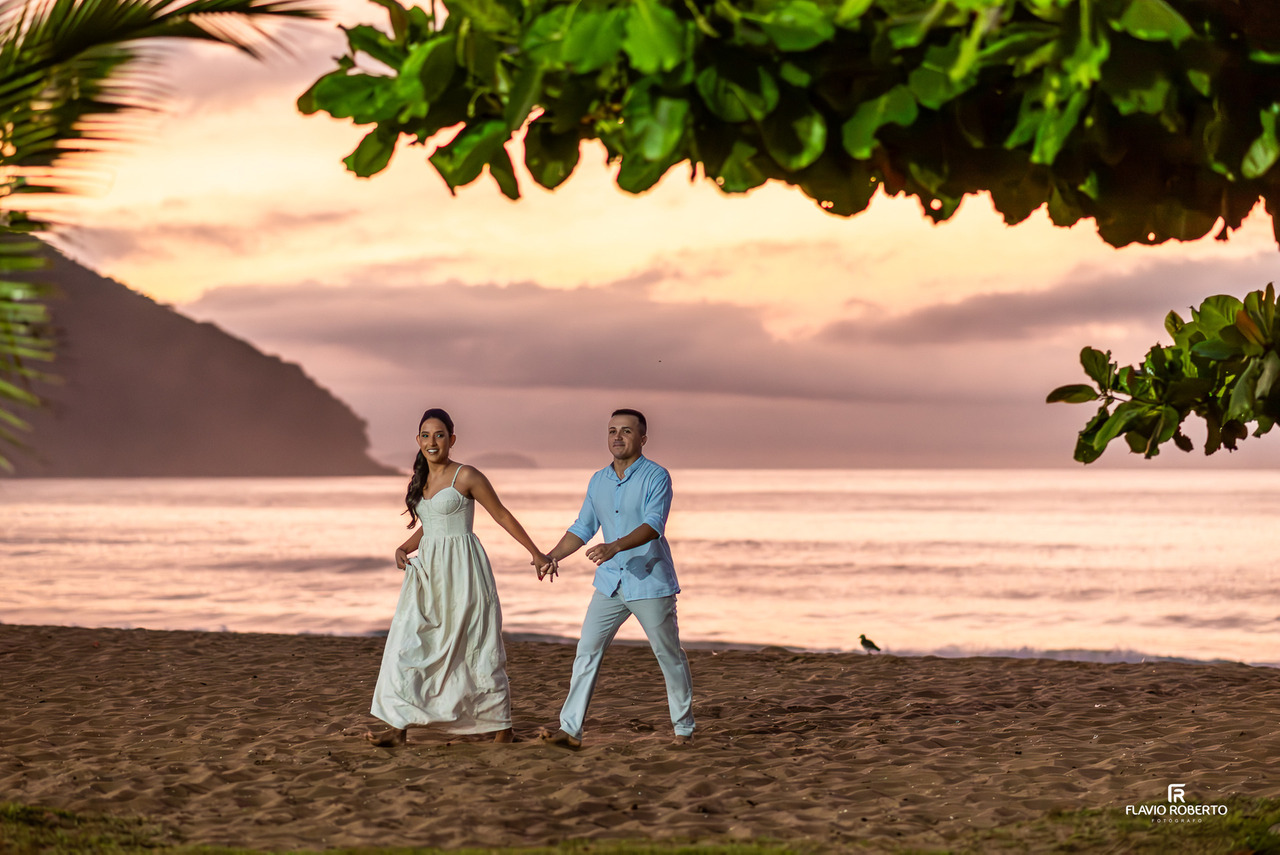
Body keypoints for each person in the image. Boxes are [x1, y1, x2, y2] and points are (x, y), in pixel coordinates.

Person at [367, 408, 553, 746]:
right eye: (425, 435)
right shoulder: (421, 480)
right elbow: (431, 526)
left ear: (452, 439)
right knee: (408, 645)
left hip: (464, 571)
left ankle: (501, 728)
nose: (432, 441)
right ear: (418, 440)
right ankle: (397, 728)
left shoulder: (467, 476)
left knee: (475, 647)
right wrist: (403, 547)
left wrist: (536, 553)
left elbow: (501, 514)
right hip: (427, 574)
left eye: (439, 435)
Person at [536, 408, 695, 748]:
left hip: (649, 581)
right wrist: (552, 556)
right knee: (587, 652)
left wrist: (614, 546)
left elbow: (654, 525)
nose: (617, 437)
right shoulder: (598, 480)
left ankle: (683, 729)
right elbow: (583, 527)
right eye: (612, 431)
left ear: (642, 438)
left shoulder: (656, 476)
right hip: (610, 584)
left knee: (668, 655)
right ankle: (570, 731)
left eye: (625, 431)